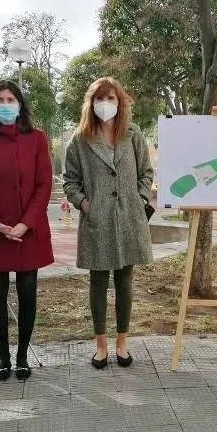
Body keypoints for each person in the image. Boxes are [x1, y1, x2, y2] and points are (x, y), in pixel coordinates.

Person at [63, 77, 154, 369]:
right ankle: (101, 345)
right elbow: (70, 181)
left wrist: (140, 198)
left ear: (120, 102)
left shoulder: (133, 134)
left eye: (111, 98)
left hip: (128, 218)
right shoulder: (80, 139)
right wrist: (85, 204)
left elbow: (146, 172)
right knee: (98, 282)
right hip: (97, 220)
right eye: (100, 99)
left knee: (125, 281)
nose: (105, 104)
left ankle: (122, 343)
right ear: (91, 103)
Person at [0, 80, 54, 382]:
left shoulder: (37, 138)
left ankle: (22, 356)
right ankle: (4, 358)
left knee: (28, 293)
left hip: (29, 231)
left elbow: (44, 184)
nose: (5, 105)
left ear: (20, 104)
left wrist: (25, 223)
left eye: (11, 99)